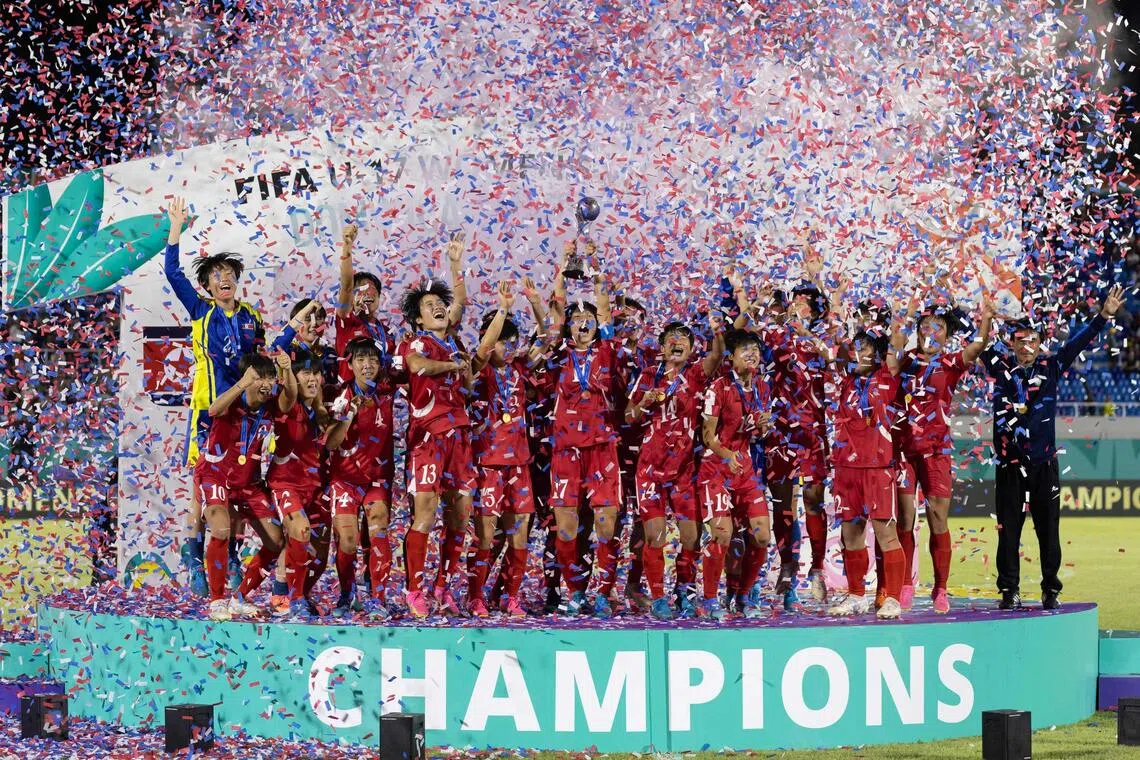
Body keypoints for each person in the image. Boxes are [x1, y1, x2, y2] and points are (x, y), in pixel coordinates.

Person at [980, 284, 1123, 610]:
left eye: (1032, 340)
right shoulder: (1001, 368)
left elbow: (1077, 343)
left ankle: (1050, 590)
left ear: (1040, 343)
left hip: (1044, 464)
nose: (1027, 346)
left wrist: (1102, 316)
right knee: (1009, 532)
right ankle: (1010, 591)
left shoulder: (1051, 366)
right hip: (1009, 466)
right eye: (1021, 340)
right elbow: (982, 345)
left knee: (1048, 532)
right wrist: (987, 319)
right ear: (1012, 344)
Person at [165, 197, 265, 597]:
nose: (224, 278)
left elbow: (260, 364)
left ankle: (233, 556)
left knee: (238, 492)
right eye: (217, 275)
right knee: (202, 492)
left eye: (229, 273)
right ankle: (194, 558)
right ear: (207, 286)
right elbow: (172, 272)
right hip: (209, 415)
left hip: (242, 418)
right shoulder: (200, 311)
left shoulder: (251, 317)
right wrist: (176, 227)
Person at [891, 299, 994, 614]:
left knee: (937, 517)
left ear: (948, 336)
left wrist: (986, 321)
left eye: (938, 327)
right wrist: (908, 315)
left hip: (937, 453)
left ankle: (940, 589)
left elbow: (977, 347)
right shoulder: (905, 361)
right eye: (925, 326)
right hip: (905, 452)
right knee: (906, 519)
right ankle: (906, 585)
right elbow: (892, 345)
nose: (930, 332)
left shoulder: (951, 362)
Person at [627, 317, 724, 619]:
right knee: (655, 535)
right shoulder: (647, 375)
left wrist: (718, 329)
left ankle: (684, 589)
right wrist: (644, 401)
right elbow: (630, 416)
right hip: (650, 470)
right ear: (662, 346)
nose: (677, 342)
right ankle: (657, 597)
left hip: (684, 470)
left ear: (693, 347)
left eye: (683, 337)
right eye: (671, 337)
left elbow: (718, 356)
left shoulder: (696, 374)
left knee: (691, 537)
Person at [547, 240, 623, 617]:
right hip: (565, 451)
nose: (582, 321)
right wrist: (564, 266)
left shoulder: (607, 350)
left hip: (602, 448)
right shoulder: (557, 353)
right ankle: (575, 590)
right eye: (576, 319)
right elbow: (557, 306)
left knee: (606, 525)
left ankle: (602, 592)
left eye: (588, 318)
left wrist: (593, 264)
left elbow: (605, 304)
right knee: (566, 527)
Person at [394, 274, 476, 617]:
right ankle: (414, 590)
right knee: (424, 516)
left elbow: (469, 386)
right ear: (418, 319)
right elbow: (419, 367)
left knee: (460, 517)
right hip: (428, 440)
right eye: (430, 306)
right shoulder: (415, 343)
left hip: (460, 438)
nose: (439, 308)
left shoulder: (456, 346)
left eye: (440, 304)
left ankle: (443, 586)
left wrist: (456, 264)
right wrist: (454, 366)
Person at [467, 283, 548, 617]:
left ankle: (511, 596)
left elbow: (545, 336)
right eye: (503, 339)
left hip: (520, 466)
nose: (509, 346)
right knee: (485, 536)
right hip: (488, 464)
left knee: (519, 537)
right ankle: (475, 597)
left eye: (513, 340)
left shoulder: (520, 369)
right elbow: (484, 348)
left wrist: (535, 303)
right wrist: (502, 309)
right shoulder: (479, 369)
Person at [825, 326, 905, 619]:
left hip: (877, 467)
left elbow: (896, 344)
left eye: (864, 347)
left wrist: (902, 313)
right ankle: (857, 594)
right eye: (855, 346)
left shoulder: (887, 376)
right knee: (851, 534)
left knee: (886, 534)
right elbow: (836, 345)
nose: (857, 351)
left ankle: (893, 598)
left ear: (878, 354)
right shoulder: (847, 381)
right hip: (846, 467)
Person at [194, 353, 281, 621]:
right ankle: (217, 601)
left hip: (248, 483)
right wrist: (242, 384)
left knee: (276, 541)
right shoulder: (232, 400)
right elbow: (213, 410)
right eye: (260, 377)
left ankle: (239, 598)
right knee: (221, 529)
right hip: (215, 474)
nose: (266, 383)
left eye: (270, 377)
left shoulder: (271, 407)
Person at [698, 329, 772, 620]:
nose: (751, 354)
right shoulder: (718, 387)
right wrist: (727, 455)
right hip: (716, 468)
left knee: (762, 536)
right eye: (745, 350)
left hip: (744, 470)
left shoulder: (762, 388)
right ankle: (707, 599)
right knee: (722, 534)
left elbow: (758, 432)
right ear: (731, 356)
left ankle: (743, 595)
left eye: (755, 349)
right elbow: (707, 436)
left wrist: (763, 426)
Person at [324, 337, 398, 618]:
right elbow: (331, 444)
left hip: (377, 478)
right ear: (351, 364)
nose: (367, 365)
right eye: (361, 360)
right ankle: (347, 595)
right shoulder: (340, 395)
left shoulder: (389, 390)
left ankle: (378, 598)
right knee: (347, 540)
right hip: (345, 479)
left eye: (372, 360)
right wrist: (350, 413)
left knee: (378, 529)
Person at [264, 340, 331, 618]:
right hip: (285, 483)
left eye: (316, 372)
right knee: (300, 532)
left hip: (313, 487)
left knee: (322, 549)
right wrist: (288, 372)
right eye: (306, 373)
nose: (313, 378)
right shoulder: (286, 402)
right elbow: (290, 392)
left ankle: (295, 592)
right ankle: (288, 596)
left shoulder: (318, 410)